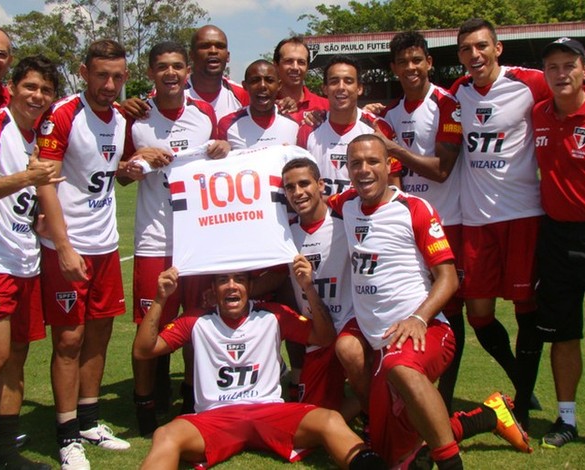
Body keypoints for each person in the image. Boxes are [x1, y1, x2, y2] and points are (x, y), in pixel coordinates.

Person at [327, 134, 531, 468]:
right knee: (394, 451)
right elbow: (308, 203)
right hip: (377, 339)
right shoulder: (346, 203)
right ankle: (487, 415)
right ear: (347, 170)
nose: (364, 170)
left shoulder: (414, 208)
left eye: (373, 161)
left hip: (426, 331)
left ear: (390, 164)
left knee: (399, 367)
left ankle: (450, 462)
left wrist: (418, 318)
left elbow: (448, 278)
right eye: (356, 164)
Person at [133, 267, 386, 470]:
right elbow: (143, 350)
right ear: (213, 289)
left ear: (250, 288)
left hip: (269, 411)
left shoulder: (272, 315)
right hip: (215, 416)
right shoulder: (196, 319)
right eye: (223, 280)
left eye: (239, 280)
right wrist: (160, 298)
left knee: (329, 419)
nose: (232, 286)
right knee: (166, 435)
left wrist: (307, 287)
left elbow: (324, 336)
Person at [119, 40, 228, 436]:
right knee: (151, 325)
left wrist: (223, 148)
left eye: (177, 66)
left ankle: (192, 396)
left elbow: (221, 157)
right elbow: (118, 172)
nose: (170, 73)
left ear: (187, 72)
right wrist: (135, 162)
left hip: (195, 241)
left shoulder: (204, 114)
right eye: (161, 66)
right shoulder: (136, 118)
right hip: (152, 240)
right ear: (150, 72)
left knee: (196, 321)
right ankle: (146, 404)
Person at [449, 18, 550, 426]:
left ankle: (523, 403)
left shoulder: (531, 83)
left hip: (523, 214)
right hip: (476, 220)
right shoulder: (458, 91)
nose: (474, 55)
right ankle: (517, 378)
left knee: (527, 310)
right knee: (479, 315)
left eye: (481, 47)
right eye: (466, 49)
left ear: (497, 48)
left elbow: (571, 94)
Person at [36, 39, 131, 469]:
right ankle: (66, 433)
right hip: (68, 249)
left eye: (117, 76)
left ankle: (90, 421)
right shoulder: (63, 115)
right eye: (101, 75)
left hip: (106, 245)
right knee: (69, 339)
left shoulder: (121, 118)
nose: (109, 84)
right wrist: (63, 246)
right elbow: (45, 182)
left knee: (99, 335)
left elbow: (109, 176)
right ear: (84, 71)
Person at [371, 31, 464, 412]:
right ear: (394, 68)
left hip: (450, 219)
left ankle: (445, 396)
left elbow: (442, 170)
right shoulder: (390, 114)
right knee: (414, 307)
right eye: (402, 62)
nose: (410, 68)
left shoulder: (447, 104)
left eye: (416, 60)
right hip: (408, 227)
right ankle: (411, 390)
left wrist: (393, 148)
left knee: (453, 309)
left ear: (428, 62)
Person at [0, 55, 60, 470]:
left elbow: (18, 199)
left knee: (15, 360)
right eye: (30, 87)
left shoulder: (33, 139)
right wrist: (28, 179)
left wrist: (37, 220)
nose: (37, 96)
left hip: (25, 261)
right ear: (13, 87)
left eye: (45, 90)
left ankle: (5, 454)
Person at [532, 37, 585, 448]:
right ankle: (566, 419)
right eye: (552, 67)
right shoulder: (537, 113)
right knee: (562, 333)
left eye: (568, 65)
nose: (560, 73)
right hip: (554, 235)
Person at [281, 158, 371, 421]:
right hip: (319, 333)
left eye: (304, 184)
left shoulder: (348, 221)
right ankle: (374, 401)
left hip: (351, 325)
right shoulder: (285, 232)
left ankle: (377, 418)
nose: (298, 193)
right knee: (311, 421)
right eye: (290, 188)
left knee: (350, 351)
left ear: (320, 185)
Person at [297, 55, 401, 197]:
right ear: (325, 89)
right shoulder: (309, 129)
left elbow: (393, 185)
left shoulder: (378, 127)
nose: (341, 87)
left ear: (359, 88)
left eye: (348, 81)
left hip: (366, 218)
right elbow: (299, 183)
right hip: (324, 218)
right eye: (334, 81)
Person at [218, 60, 299, 149]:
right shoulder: (227, 125)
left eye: (269, 80)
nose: (262, 86)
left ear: (279, 85)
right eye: (255, 80)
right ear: (245, 86)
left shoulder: (294, 124)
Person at [273, 36, 329, 125]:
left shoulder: (325, 107)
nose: (295, 67)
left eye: (301, 62)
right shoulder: (264, 106)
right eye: (289, 61)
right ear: (276, 65)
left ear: (307, 67)